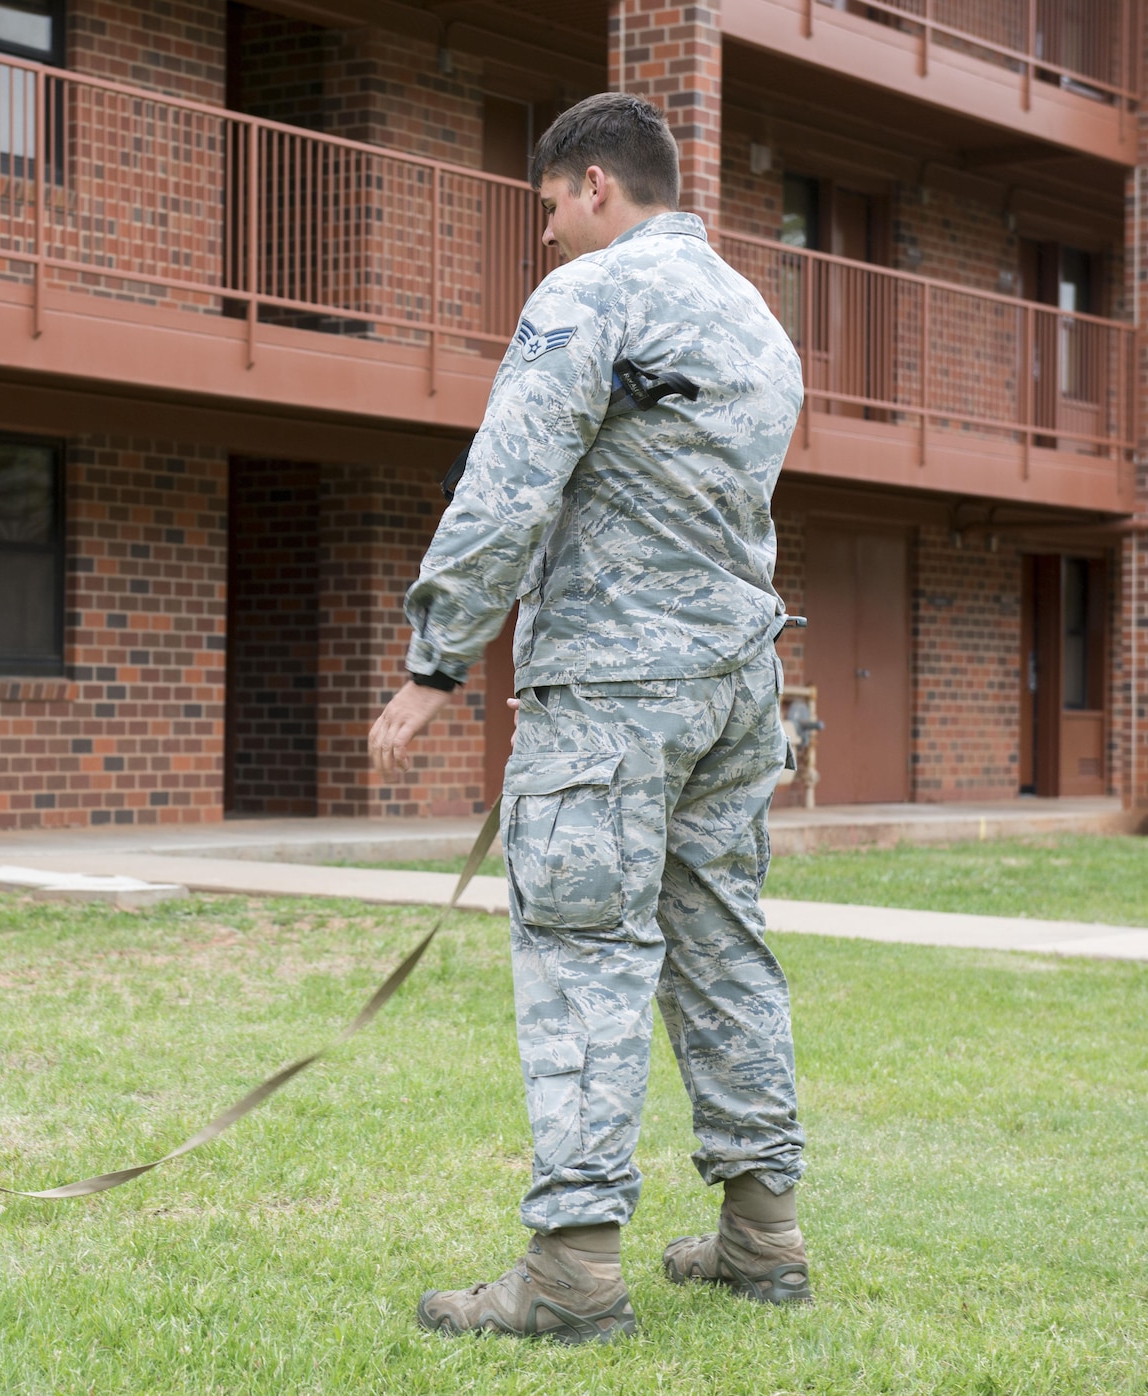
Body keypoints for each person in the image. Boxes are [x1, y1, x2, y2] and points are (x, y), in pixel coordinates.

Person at [367, 93, 810, 1345]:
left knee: (582, 959)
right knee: (722, 943)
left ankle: (569, 1270)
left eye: (549, 206)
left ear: (596, 187)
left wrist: (434, 659)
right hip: (733, 684)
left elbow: (505, 484)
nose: (546, 235)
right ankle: (761, 1235)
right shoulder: (755, 320)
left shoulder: (590, 297)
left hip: (613, 696)